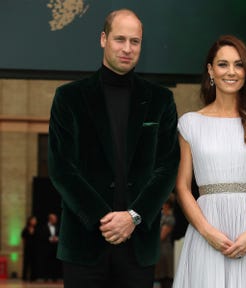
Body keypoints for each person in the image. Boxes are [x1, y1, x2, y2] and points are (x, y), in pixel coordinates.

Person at [48, 9, 179, 288]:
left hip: (138, 245)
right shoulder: (69, 98)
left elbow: (167, 167)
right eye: (120, 39)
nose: (128, 49)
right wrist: (104, 218)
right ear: (103, 39)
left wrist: (133, 217)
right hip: (84, 245)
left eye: (135, 41)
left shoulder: (160, 100)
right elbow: (62, 168)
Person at [172, 35, 246, 288]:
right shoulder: (190, 124)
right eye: (223, 64)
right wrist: (207, 231)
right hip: (206, 230)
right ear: (211, 70)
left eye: (238, 64)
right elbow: (181, 187)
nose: (231, 72)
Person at [154, 196, 176, 288]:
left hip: (164, 251)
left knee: (165, 276)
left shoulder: (169, 219)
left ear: (167, 205)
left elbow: (161, 236)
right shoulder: (162, 216)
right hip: (160, 249)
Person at [38, 213, 61, 281]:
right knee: (46, 263)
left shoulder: (58, 227)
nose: (56, 220)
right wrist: (50, 239)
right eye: (54, 218)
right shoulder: (44, 227)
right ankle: (46, 277)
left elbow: (60, 236)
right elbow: (42, 237)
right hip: (47, 248)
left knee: (55, 263)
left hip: (55, 248)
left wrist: (57, 238)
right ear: (50, 219)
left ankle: (55, 277)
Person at [21, 216, 38, 282]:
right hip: (27, 248)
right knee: (26, 263)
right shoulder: (25, 229)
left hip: (34, 249)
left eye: (35, 220)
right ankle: (24, 277)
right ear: (30, 221)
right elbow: (23, 238)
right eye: (33, 220)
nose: (35, 221)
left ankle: (33, 277)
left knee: (33, 263)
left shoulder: (36, 229)